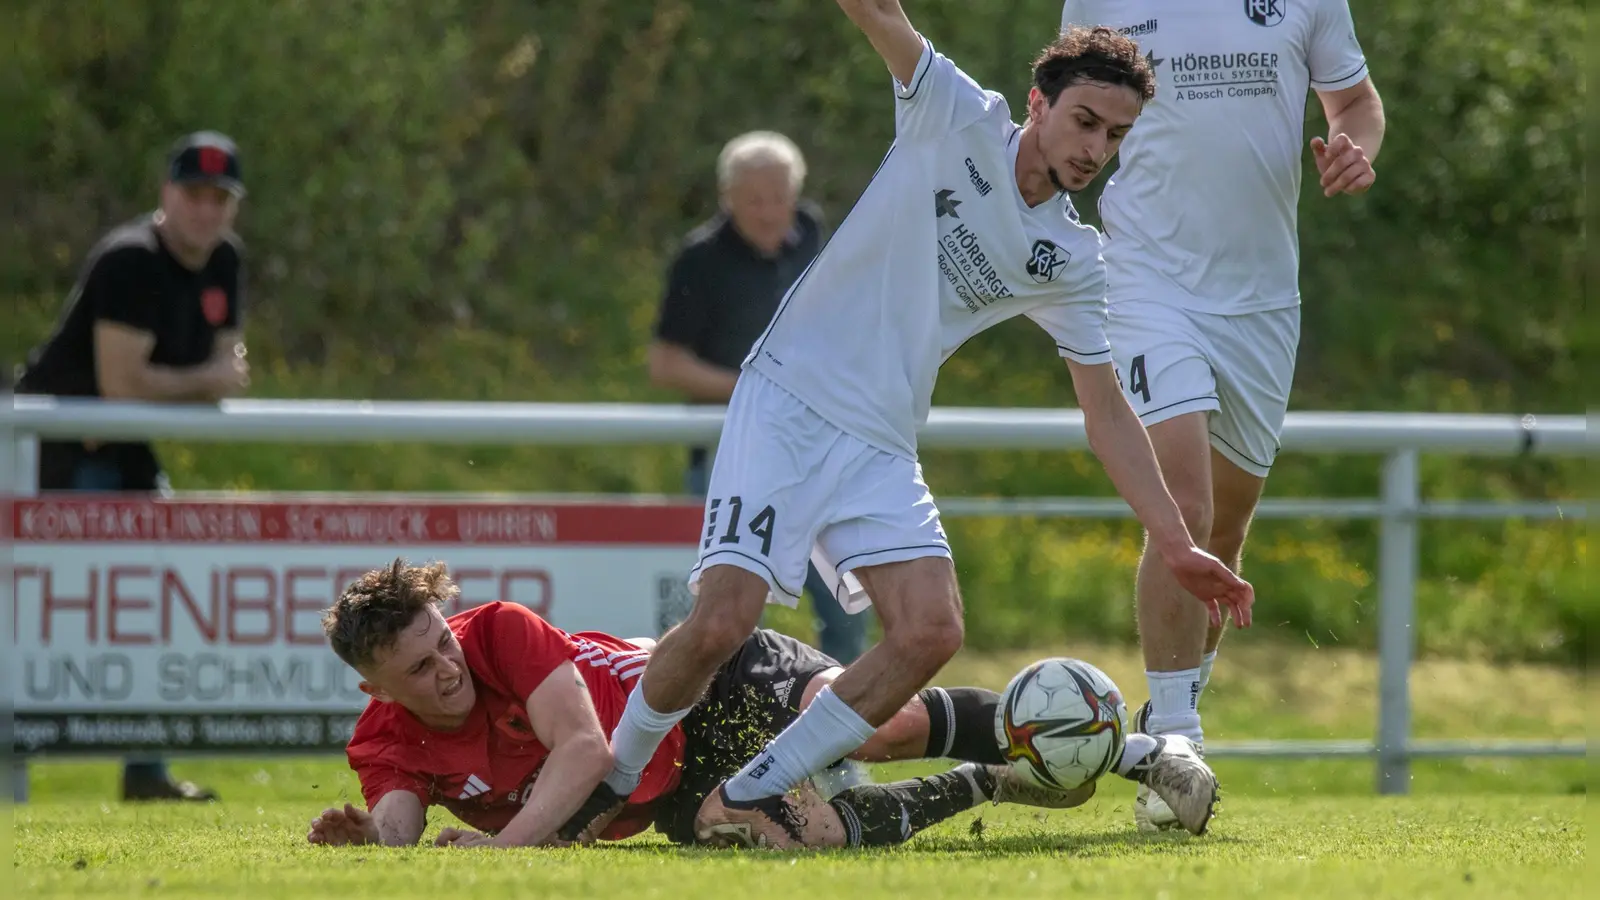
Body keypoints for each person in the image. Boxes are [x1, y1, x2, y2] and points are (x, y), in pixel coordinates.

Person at [571, 2, 1255, 850]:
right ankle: (607, 787)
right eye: (1084, 121)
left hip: (880, 439)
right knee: (721, 622)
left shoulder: (1073, 261)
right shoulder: (954, 112)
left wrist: (1176, 540)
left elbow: (1105, 405)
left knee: (934, 631)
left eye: (1115, 135)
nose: (1095, 148)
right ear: (1038, 105)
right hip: (788, 396)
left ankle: (753, 790)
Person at [1058, 0, 1384, 831]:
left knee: (1226, 536)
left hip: (1265, 301)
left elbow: (1355, 101)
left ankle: (1165, 721)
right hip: (1146, 280)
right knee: (1187, 510)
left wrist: (1355, 147)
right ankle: (1176, 740)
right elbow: (1070, 108)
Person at [303, 559, 1207, 850]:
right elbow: (398, 815)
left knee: (885, 724)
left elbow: (583, 753)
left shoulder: (497, 631)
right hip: (668, 791)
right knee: (808, 839)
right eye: (420, 671)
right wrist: (378, 848)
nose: (446, 671)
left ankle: (1135, 750)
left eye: (441, 644)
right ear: (375, 689)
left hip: (711, 679)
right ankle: (994, 784)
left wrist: (500, 853)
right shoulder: (385, 739)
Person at [14, 129, 253, 802]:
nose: (206, 211)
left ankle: (144, 770)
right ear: (166, 195)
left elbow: (228, 370)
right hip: (52, 450)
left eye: (220, 198)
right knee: (46, 610)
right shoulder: (128, 260)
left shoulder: (225, 261)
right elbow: (122, 386)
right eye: (194, 194)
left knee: (162, 595)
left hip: (122, 448)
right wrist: (201, 376)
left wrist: (192, 376)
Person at [649, 130, 873, 671]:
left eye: (780, 197)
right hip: (732, 459)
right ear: (727, 197)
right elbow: (665, 364)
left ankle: (834, 743)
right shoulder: (699, 259)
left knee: (849, 608)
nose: (770, 212)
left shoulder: (816, 234)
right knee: (731, 618)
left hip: (821, 453)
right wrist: (759, 386)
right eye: (754, 199)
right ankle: (741, 746)